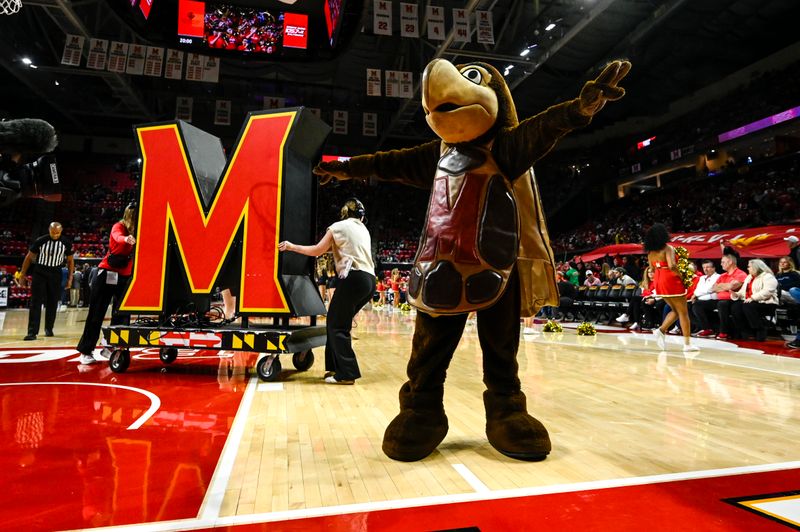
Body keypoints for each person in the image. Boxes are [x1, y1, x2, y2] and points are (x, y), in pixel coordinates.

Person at [279, 198, 375, 385]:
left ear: (345, 212)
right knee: (335, 322)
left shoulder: (338, 226)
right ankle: (333, 367)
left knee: (337, 326)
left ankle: (347, 373)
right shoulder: (363, 229)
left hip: (353, 279)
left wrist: (291, 247)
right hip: (369, 280)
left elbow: (317, 251)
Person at [76, 204, 137, 365]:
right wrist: (126, 239)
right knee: (97, 313)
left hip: (125, 277)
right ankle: (85, 350)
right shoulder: (119, 226)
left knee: (122, 314)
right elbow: (117, 236)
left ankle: (111, 346)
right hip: (106, 274)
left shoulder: (139, 229)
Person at [15, 222, 74, 340]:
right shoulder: (41, 240)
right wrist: (22, 274)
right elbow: (28, 257)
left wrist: (70, 278)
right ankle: (32, 332)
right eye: (53, 232)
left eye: (58, 233)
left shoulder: (66, 243)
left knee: (52, 302)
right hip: (40, 271)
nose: (55, 235)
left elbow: (70, 261)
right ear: (49, 230)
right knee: (35, 302)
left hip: (56, 273)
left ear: (61, 231)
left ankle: (49, 328)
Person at [644, 224, 698, 353]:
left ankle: (661, 330)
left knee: (676, 310)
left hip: (658, 279)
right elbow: (672, 266)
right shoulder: (668, 248)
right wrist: (683, 276)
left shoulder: (650, 252)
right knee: (684, 312)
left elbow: (651, 269)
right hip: (670, 279)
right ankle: (687, 344)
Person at [731, 259, 779, 342]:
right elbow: (743, 291)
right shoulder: (749, 277)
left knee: (748, 306)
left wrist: (753, 298)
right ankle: (745, 330)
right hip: (751, 302)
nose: (747, 268)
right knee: (736, 306)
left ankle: (760, 329)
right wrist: (736, 295)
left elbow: (768, 291)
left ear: (756, 267)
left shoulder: (768, 276)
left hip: (767, 303)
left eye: (749, 267)